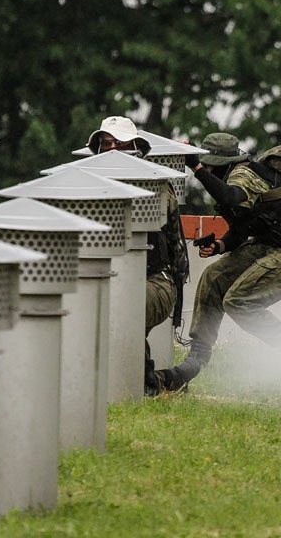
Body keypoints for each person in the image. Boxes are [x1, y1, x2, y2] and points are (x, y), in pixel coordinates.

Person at [150, 132, 281, 393]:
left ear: (220, 163)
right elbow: (242, 228)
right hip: (277, 243)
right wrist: (220, 246)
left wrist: (197, 167)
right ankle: (195, 362)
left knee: (240, 301)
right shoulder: (236, 177)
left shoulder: (243, 173)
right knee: (214, 277)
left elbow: (230, 197)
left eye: (210, 164)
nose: (208, 170)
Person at [86, 116, 188, 396]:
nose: (111, 148)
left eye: (119, 143)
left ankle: (145, 383)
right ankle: (148, 380)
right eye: (106, 143)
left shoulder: (155, 186)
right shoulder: (88, 185)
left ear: (135, 147)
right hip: (109, 279)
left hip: (157, 281)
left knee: (123, 305)